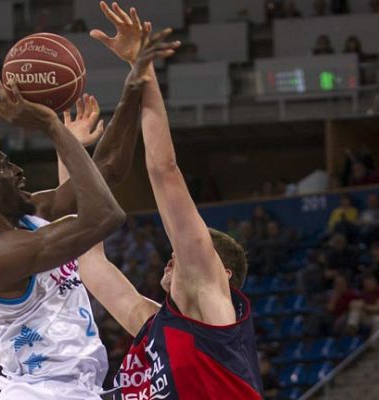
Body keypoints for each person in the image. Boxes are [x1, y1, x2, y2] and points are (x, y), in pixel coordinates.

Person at [0, 3, 175, 397]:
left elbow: (109, 170)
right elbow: (104, 216)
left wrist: (135, 80)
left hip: (79, 389)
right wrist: (49, 124)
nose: (18, 172)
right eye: (5, 167)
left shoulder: (33, 213)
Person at [76, 6, 262, 398]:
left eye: (182, 251)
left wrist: (142, 70)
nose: (173, 255)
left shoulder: (207, 297)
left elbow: (164, 170)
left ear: (222, 273)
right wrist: (71, 152)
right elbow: (90, 262)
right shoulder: (155, 326)